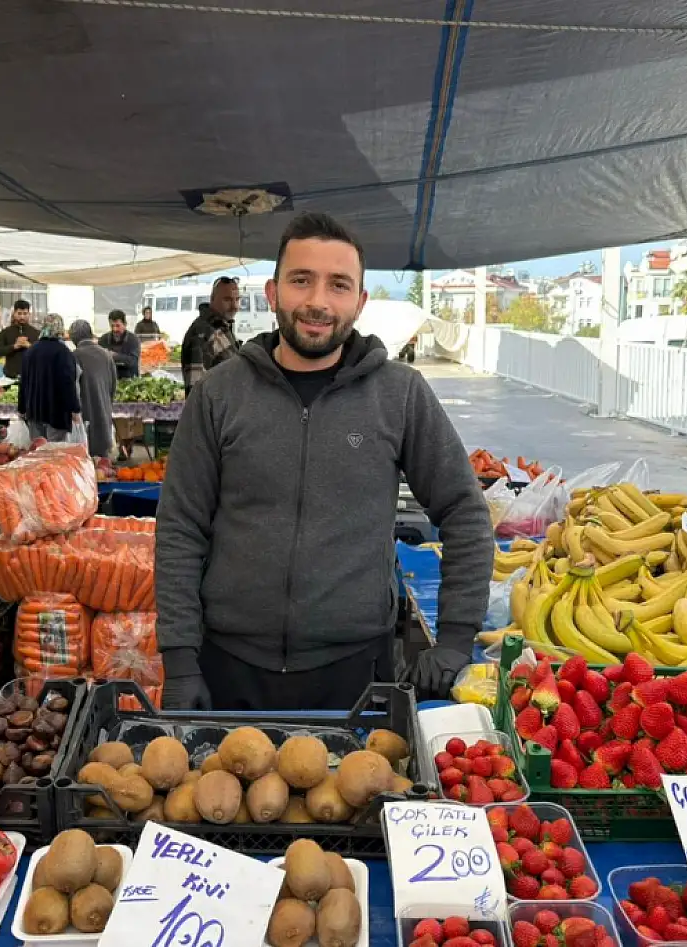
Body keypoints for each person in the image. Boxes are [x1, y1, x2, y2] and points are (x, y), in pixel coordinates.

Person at [155, 212, 491, 712]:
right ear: (273, 293)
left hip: (357, 674)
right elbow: (181, 526)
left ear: (360, 302)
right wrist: (181, 659)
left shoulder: (399, 394)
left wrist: (456, 640)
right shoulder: (220, 393)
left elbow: (464, 510)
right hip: (229, 668)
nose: (318, 301)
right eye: (301, 280)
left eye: (338, 285)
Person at [17, 315, 82, 441]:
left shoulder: (30, 351)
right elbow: (68, 383)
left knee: (38, 448)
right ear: (60, 329)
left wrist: (21, 408)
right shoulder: (63, 352)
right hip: (57, 413)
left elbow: (23, 382)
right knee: (55, 450)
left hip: (34, 411)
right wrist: (74, 408)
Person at [179, 277, 241, 393]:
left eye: (237, 299)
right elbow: (195, 390)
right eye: (227, 299)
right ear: (212, 299)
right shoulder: (200, 333)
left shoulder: (223, 328)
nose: (234, 306)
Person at [71, 320, 117, 459]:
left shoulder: (75, 355)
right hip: (104, 409)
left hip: (86, 412)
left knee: (86, 458)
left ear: (74, 338)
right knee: (103, 460)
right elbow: (113, 384)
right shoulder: (106, 354)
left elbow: (73, 387)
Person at [0, 300, 42, 381]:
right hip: (10, 377)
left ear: (29, 314)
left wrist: (29, 346)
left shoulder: (36, 333)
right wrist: (14, 346)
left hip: (32, 377)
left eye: (25, 313)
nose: (22, 317)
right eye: (19, 313)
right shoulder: (5, 332)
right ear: (14, 313)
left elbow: (43, 354)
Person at [99, 310, 141, 380]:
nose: (115, 329)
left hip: (130, 380)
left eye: (118, 326)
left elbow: (133, 361)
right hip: (109, 380)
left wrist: (114, 355)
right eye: (112, 326)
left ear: (125, 324)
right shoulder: (103, 339)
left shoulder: (133, 339)